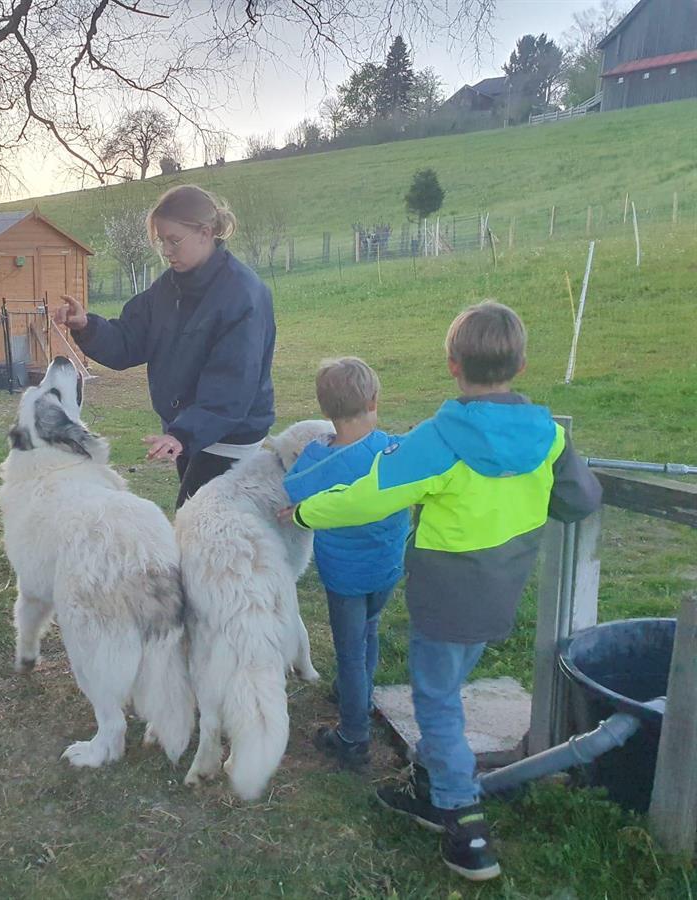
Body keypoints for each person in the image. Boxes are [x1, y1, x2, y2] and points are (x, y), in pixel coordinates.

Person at [287, 302, 602, 882]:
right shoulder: (548, 437)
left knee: (437, 705)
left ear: (452, 364)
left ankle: (463, 825)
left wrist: (306, 511)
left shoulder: (439, 439)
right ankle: (428, 781)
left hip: (444, 595)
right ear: (523, 364)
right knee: (446, 686)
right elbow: (581, 499)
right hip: (501, 590)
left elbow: (368, 494)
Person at [53, 185, 275, 509]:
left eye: (174, 240)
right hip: (187, 435)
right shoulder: (167, 288)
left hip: (229, 439)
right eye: (162, 242)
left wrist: (182, 434)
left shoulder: (242, 296)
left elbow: (231, 388)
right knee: (199, 527)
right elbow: (129, 340)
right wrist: (87, 327)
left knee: (197, 527)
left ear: (205, 232)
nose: (167, 251)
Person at [278, 357, 409, 770]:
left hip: (345, 578)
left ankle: (353, 736)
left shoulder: (317, 459)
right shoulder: (393, 448)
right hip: (388, 568)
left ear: (324, 411)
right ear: (373, 400)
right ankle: (360, 696)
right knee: (370, 630)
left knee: (351, 652)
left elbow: (291, 489)